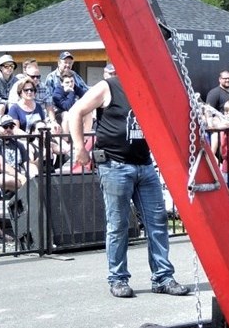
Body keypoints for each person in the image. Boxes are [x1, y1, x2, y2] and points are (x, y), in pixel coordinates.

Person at [68, 62, 191, 299]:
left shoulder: (150, 90)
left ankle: (163, 277)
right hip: (115, 165)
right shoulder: (108, 87)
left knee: (157, 222)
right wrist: (79, 148)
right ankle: (118, 278)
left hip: (144, 164)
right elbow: (76, 111)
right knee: (118, 225)